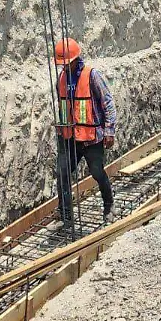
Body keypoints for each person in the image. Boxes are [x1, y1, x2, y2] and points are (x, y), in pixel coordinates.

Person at [53, 37, 116, 227]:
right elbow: (63, 105)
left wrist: (109, 130)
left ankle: (109, 204)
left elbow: (108, 103)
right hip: (69, 138)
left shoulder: (91, 75)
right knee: (62, 174)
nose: (64, 67)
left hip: (91, 137)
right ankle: (66, 216)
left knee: (97, 172)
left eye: (67, 63)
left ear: (75, 59)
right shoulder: (61, 79)